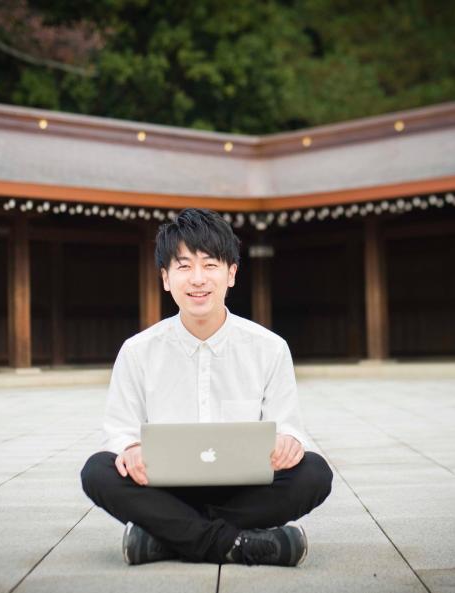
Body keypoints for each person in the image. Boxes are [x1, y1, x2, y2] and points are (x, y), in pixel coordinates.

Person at [80, 208, 332, 567]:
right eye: (184, 266)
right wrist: (131, 448)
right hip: (165, 489)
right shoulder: (137, 351)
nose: (197, 279)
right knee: (98, 471)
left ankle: (168, 539)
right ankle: (240, 543)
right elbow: (119, 432)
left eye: (210, 265)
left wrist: (288, 441)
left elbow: (287, 427)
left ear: (231, 273)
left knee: (314, 472)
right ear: (166, 278)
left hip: (244, 490)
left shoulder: (269, 347)